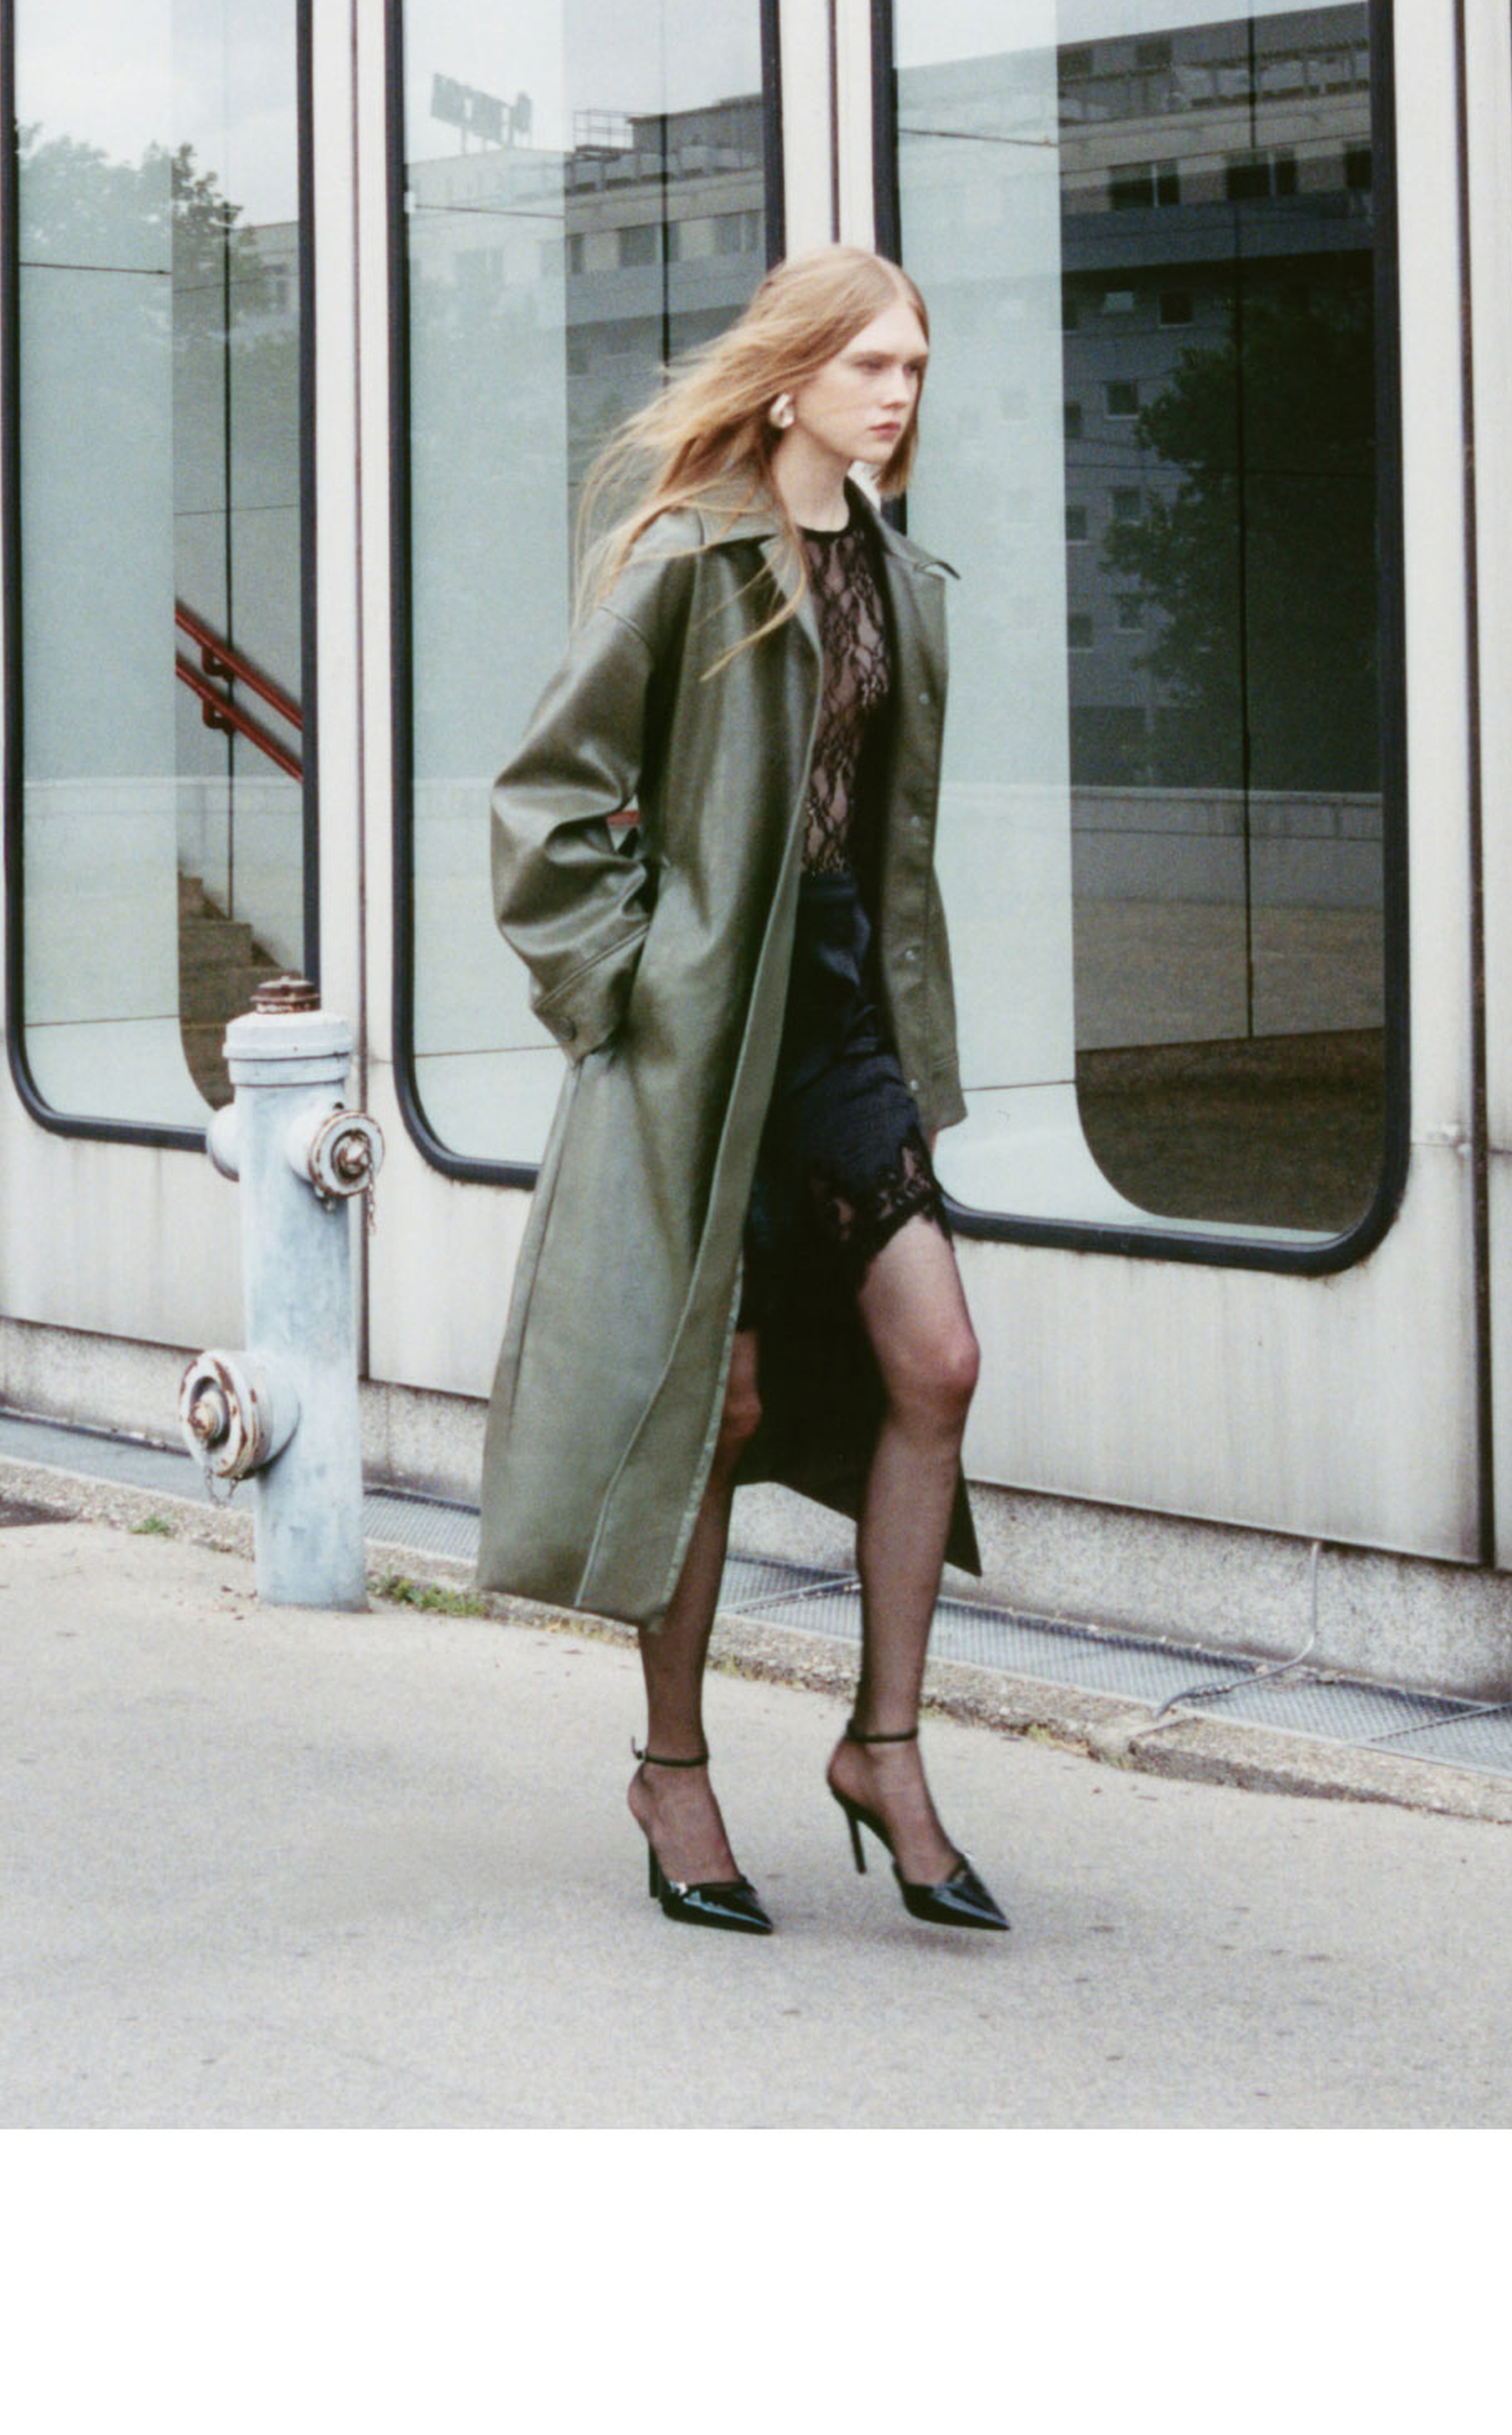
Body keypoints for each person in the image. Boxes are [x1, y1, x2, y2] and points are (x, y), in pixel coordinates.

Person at [475, 245, 1006, 1936]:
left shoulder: (897, 576)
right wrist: (630, 993)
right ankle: (674, 1767)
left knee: (939, 1359)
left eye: (914, 367)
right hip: (709, 1035)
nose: (899, 394)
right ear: (789, 382)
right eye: (870, 366)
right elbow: (547, 802)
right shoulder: (690, 561)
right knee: (726, 1402)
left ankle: (883, 1748)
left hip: (840, 1027)